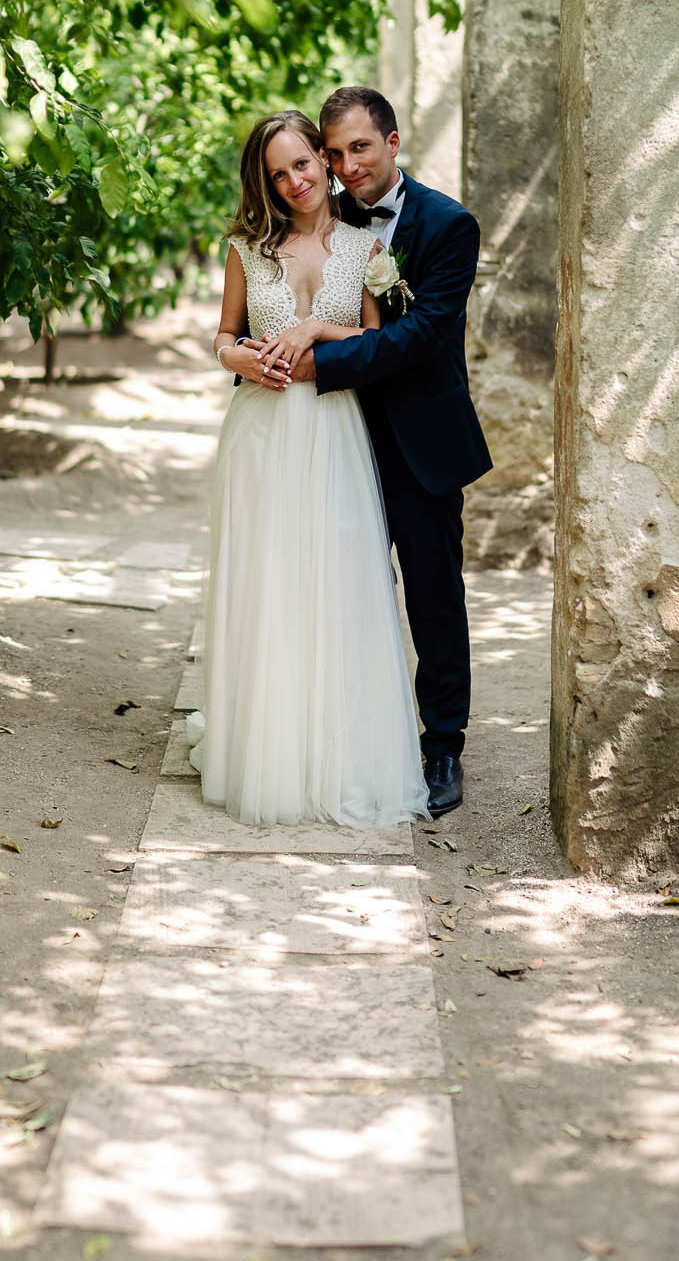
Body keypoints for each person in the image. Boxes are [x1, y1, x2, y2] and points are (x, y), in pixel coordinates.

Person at [251, 86, 491, 818]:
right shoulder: (326, 218)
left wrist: (319, 351)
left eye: (359, 148)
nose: (344, 165)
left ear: (392, 142)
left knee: (432, 595)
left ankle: (442, 742)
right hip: (336, 438)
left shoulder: (449, 225)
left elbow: (423, 337)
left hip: (418, 439)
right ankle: (348, 734)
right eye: (333, 153)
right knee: (342, 590)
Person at [189, 110, 430, 829]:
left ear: (325, 164)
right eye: (277, 173)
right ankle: (264, 750)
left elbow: (376, 345)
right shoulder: (246, 249)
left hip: (331, 430)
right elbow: (223, 337)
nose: (295, 181)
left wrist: (317, 330)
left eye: (303, 164)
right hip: (261, 434)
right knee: (267, 583)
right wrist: (241, 360)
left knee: (333, 581)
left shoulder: (364, 248)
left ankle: (335, 753)